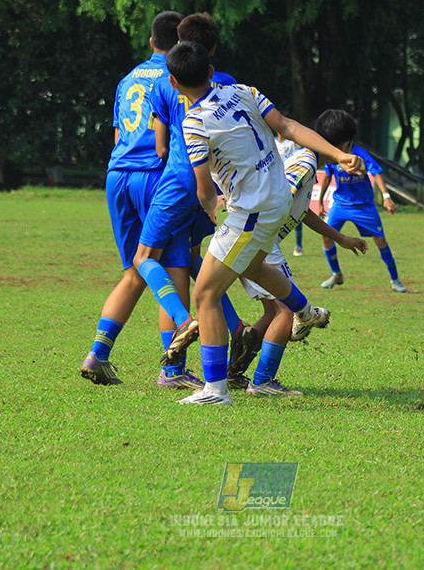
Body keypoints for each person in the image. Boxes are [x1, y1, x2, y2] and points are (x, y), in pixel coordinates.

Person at [166, 41, 365, 405]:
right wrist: (339, 154)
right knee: (255, 265)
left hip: (250, 212)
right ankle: (303, 310)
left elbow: (204, 188)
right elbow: (287, 126)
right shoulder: (245, 91)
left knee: (205, 294)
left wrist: (214, 209)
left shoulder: (193, 124)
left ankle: (215, 389)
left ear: (174, 84)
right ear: (211, 72)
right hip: (275, 203)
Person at [78, 11, 203, 389]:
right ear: (182, 42)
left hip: (118, 175)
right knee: (177, 268)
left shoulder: (128, 78)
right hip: (157, 177)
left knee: (136, 270)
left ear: (151, 42)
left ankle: (98, 354)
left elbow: (119, 136)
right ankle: (173, 368)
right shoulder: (177, 78)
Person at [130, 12, 247, 388]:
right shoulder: (229, 83)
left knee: (143, 258)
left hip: (178, 180)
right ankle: (235, 328)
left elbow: (161, 144)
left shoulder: (165, 85)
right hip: (213, 188)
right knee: (197, 260)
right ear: (211, 53)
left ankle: (183, 321)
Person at [226, 131, 369, 395]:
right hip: (261, 240)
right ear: (345, 145)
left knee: (272, 312)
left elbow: (302, 211)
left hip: (251, 238)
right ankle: (263, 382)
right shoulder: (305, 162)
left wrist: (340, 238)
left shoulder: (302, 161)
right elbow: (280, 193)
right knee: (287, 311)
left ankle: (233, 374)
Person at [317, 110, 406, 293]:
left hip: (364, 206)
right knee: (326, 234)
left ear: (346, 142)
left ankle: (395, 279)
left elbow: (377, 173)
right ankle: (336, 274)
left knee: (380, 240)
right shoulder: (333, 156)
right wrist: (319, 202)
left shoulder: (361, 154)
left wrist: (386, 197)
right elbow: (326, 178)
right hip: (340, 204)